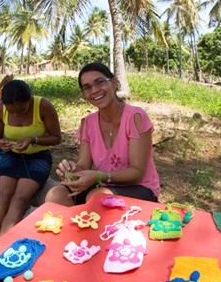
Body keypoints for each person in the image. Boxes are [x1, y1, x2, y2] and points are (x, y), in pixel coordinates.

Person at [45, 62, 160, 206]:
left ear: (114, 83)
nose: (94, 91)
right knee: (55, 195)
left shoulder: (136, 117)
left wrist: (100, 176)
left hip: (141, 188)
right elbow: (84, 166)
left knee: (98, 198)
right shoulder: (87, 123)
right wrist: (72, 171)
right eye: (87, 88)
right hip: (104, 186)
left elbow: (137, 173)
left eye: (99, 82)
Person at [0, 80, 62, 244]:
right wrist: (0, 144)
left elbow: (57, 138)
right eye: (12, 111)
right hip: (12, 156)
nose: (17, 115)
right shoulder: (0, 109)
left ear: (30, 99)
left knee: (20, 199)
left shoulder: (43, 106)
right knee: (3, 196)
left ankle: (3, 245)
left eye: (22, 110)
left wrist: (33, 139)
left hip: (38, 157)